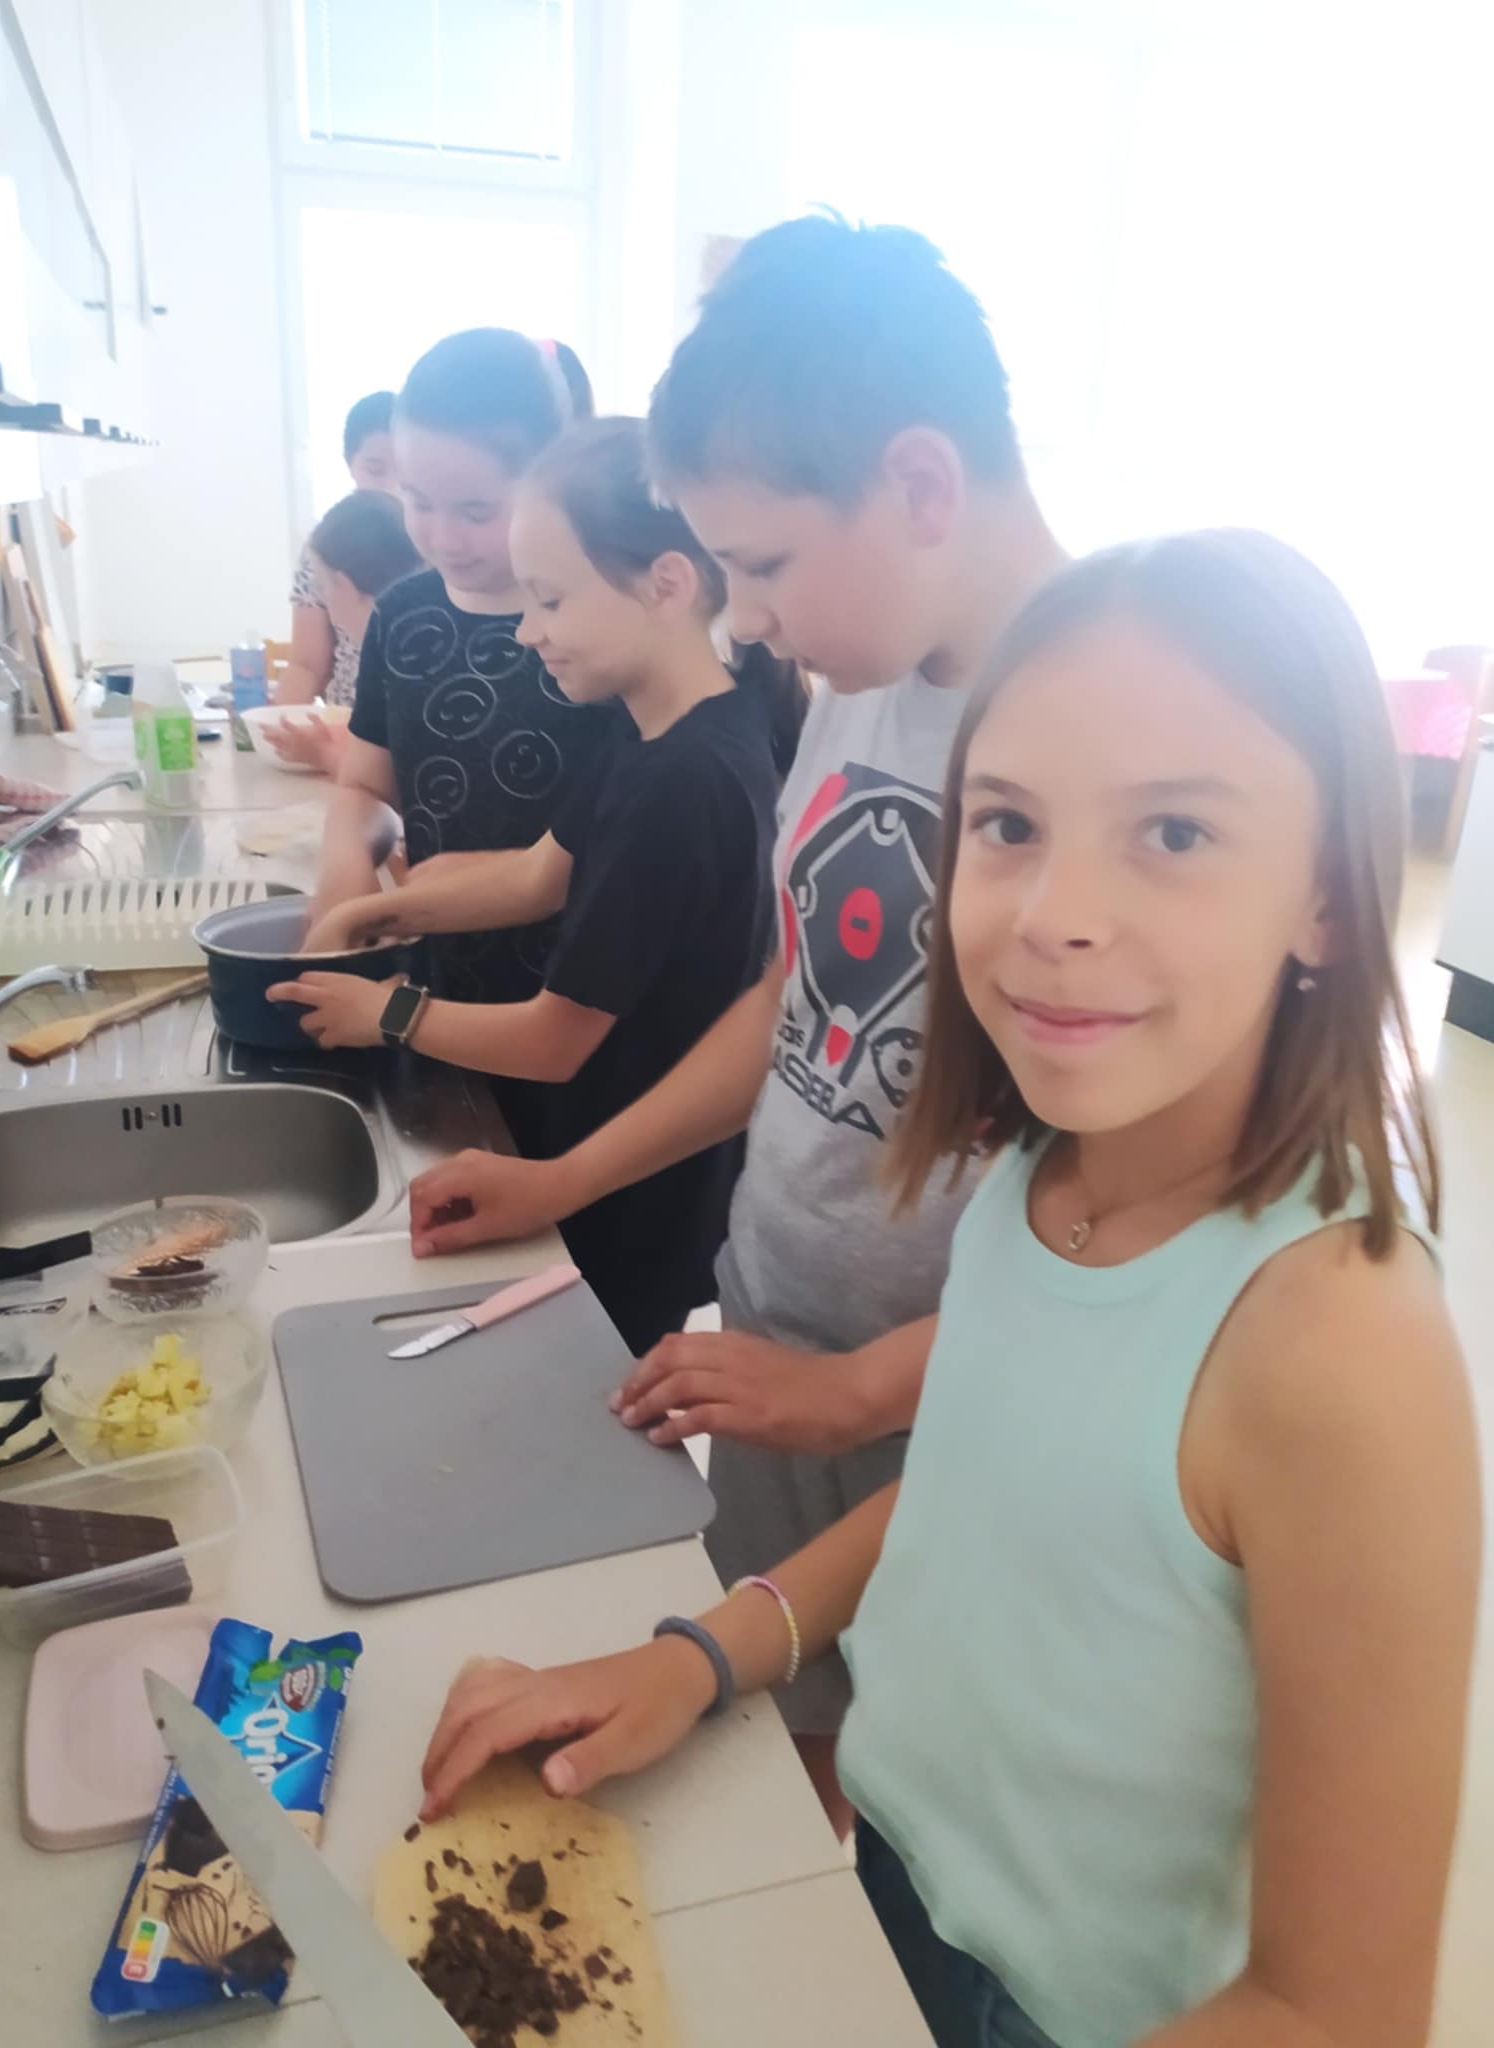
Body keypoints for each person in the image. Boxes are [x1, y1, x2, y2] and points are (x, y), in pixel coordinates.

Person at [413, 530, 1479, 2048]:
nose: (1051, 911)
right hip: (907, 1875)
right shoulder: (1039, 1172)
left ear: (1325, 895)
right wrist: (700, 1655)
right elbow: (975, 1493)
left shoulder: (1340, 1346)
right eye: (1009, 823)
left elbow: (1337, 2011)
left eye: (1175, 832)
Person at [404, 216, 1066, 1827]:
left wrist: (864, 1391)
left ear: (920, 484)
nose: (747, 621)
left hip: (966, 1395)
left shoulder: (1100, 730)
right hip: (778, 1338)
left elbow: (1136, 1252)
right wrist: (568, 1182)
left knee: (932, 1809)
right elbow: (794, 997)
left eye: (762, 567)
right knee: (790, 1775)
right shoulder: (860, 676)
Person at [273, 418, 779, 1357]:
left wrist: (387, 1012)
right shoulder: (650, 724)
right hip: (591, 1148)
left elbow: (554, 1040)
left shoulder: (684, 783)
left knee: (586, 1389)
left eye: (549, 598)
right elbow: (539, 874)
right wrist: (369, 910)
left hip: (631, 1183)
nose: (526, 626)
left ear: (667, 584)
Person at [303, 329, 621, 1159]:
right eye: (417, 501)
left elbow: (614, 851)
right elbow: (366, 786)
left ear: (549, 476)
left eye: (476, 511)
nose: (441, 536)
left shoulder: (600, 629)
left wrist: (395, 904)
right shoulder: (403, 615)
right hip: (437, 1002)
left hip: (582, 1019)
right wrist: (347, 869)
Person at [271, 491, 423, 776]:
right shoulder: (409, 644)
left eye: (323, 586)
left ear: (343, 586)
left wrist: (321, 754)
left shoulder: (400, 665)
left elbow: (402, 777)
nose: (323, 600)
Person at [279, 389, 398, 714]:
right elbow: (307, 664)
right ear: (350, 464)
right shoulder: (326, 544)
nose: (392, 486)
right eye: (375, 469)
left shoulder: (439, 542)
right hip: (344, 719)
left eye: (408, 470)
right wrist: (274, 727)